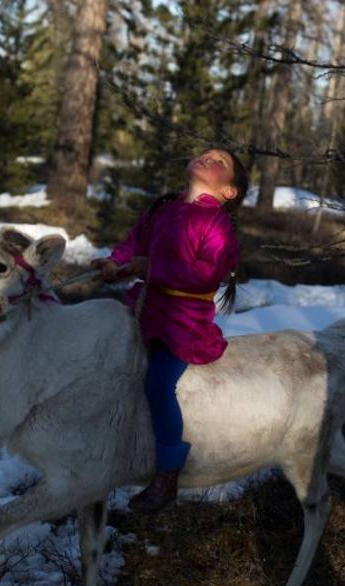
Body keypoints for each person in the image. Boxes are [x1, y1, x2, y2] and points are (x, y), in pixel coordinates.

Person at [90, 148, 248, 513]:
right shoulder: (163, 208)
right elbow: (135, 241)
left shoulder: (218, 225)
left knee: (158, 384)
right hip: (142, 309)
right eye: (206, 154)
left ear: (230, 191)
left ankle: (167, 473)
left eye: (220, 162)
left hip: (182, 324)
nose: (208, 158)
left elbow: (205, 275)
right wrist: (116, 262)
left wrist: (149, 267)